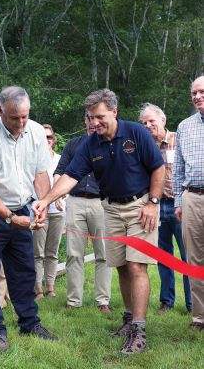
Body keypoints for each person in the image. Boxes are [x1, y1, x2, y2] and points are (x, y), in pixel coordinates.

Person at [32, 89, 165, 355]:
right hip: (111, 208)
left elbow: (158, 167)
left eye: (100, 117)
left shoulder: (136, 133)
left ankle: (139, 331)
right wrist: (45, 201)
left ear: (114, 112)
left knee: (138, 266)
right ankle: (128, 320)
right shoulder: (90, 145)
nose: (95, 123)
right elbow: (70, 177)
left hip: (141, 206)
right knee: (122, 267)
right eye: (91, 118)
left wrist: (153, 203)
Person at [0, 86, 57, 353]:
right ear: (0, 111)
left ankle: (29, 323)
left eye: (25, 117)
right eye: (14, 117)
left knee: (24, 271)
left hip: (21, 208)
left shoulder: (37, 132)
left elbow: (41, 174)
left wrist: (42, 204)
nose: (20, 123)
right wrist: (9, 218)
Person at [53, 114, 112, 313]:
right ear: (85, 121)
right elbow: (60, 171)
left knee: (103, 253)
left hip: (100, 203)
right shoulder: (73, 145)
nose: (93, 123)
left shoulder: (108, 145)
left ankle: (103, 300)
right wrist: (57, 194)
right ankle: (73, 301)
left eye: (96, 118)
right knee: (73, 253)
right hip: (76, 201)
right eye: (88, 118)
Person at [139, 103, 192, 314]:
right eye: (144, 123)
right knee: (163, 256)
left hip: (181, 204)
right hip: (157, 207)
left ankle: (192, 304)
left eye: (152, 120)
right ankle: (167, 301)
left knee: (189, 256)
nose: (148, 125)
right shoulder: (144, 146)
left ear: (163, 120)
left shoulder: (180, 140)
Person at [173, 75, 204, 330]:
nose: (197, 96)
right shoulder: (184, 126)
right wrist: (178, 203)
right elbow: (179, 168)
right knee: (194, 259)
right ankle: (200, 317)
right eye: (194, 93)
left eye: (202, 92)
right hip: (192, 198)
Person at [33, 124, 65, 299]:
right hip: (39, 211)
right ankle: (38, 289)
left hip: (58, 211)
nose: (47, 141)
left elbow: (68, 182)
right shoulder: (32, 159)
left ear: (54, 140)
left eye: (49, 137)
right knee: (38, 252)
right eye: (43, 137)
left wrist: (61, 196)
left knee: (52, 251)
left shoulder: (60, 160)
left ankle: (50, 287)